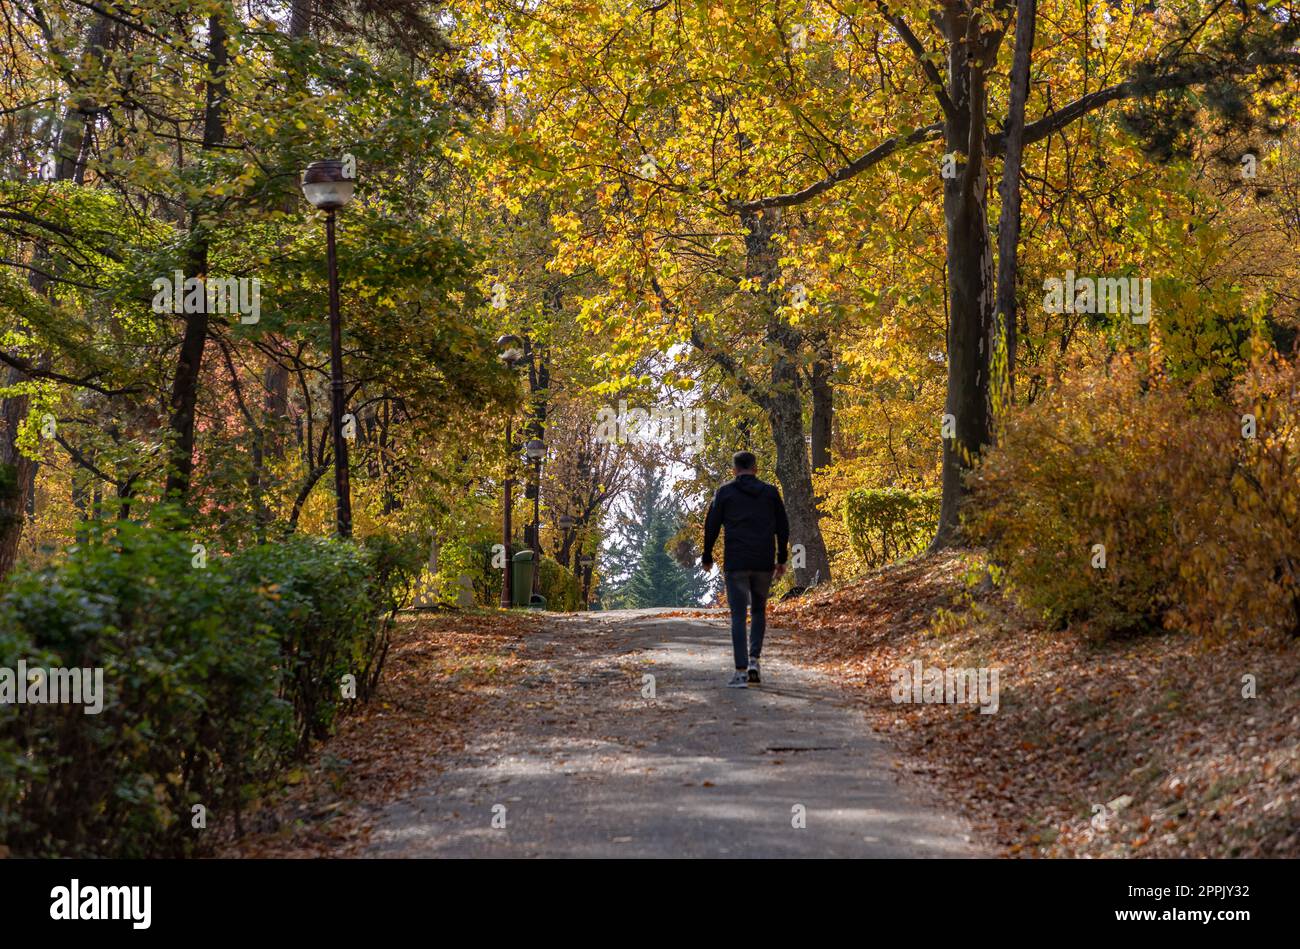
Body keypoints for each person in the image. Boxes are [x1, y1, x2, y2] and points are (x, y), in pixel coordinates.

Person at [701, 451, 790, 688]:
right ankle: (754, 662)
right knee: (759, 611)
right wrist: (781, 558)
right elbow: (783, 526)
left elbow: (712, 525)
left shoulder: (725, 492)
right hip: (763, 562)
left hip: (736, 563)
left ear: (734, 470)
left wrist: (707, 555)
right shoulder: (770, 493)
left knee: (738, 616)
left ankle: (740, 672)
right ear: (756, 468)